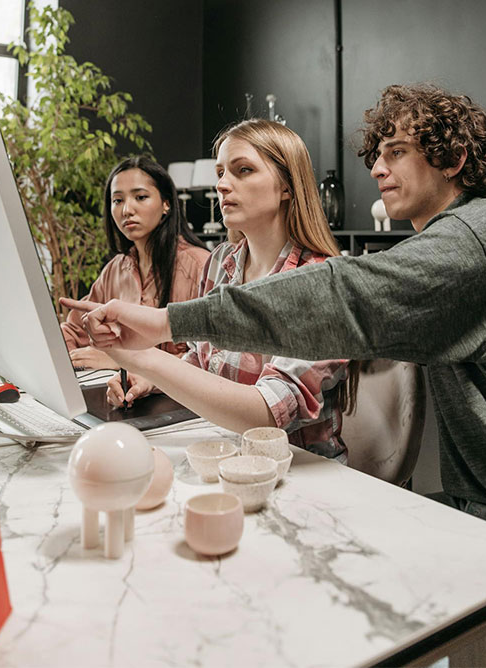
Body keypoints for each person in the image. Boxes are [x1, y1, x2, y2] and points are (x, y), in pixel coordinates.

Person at [62, 84, 486, 636]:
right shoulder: (462, 239)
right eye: (376, 155)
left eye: (395, 152)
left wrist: (162, 325)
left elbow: (335, 297)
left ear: (453, 158)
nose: (377, 169)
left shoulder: (476, 238)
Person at [65, 119, 360, 460]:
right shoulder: (223, 261)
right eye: (220, 172)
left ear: (287, 187)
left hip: (299, 472)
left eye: (243, 170)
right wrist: (148, 378)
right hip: (225, 454)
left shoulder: (321, 282)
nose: (222, 185)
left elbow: (267, 417)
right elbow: (201, 358)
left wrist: (144, 359)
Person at [60, 156, 209, 374]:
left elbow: (210, 359)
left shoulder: (200, 266)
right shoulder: (116, 269)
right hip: (117, 396)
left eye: (140, 197)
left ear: (166, 203)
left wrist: (124, 361)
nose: (127, 210)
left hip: (176, 403)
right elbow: (74, 330)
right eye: (117, 200)